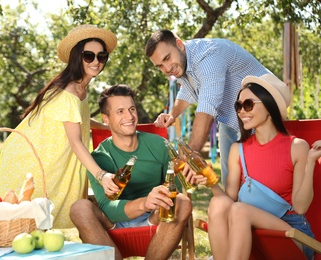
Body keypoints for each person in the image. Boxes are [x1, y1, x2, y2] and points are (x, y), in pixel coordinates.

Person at [0, 24, 118, 229]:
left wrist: (113, 127)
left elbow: (80, 121)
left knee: (40, 223)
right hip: (31, 159)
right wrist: (101, 176)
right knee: (30, 221)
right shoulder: (69, 92)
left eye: (101, 56)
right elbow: (76, 142)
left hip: (51, 156)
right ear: (78, 57)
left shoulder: (80, 86)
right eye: (89, 56)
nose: (96, 61)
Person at [69, 84, 192, 260]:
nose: (130, 116)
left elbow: (177, 189)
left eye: (132, 109)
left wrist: (187, 177)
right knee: (79, 208)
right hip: (113, 225)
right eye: (120, 112)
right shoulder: (97, 159)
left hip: (155, 219)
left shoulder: (159, 144)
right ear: (106, 119)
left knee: (182, 201)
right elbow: (107, 209)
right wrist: (144, 203)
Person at [204, 74, 320, 260]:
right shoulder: (238, 149)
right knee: (218, 203)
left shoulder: (297, 146)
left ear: (269, 104)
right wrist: (210, 181)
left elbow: (300, 207)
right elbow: (228, 202)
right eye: (238, 106)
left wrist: (311, 162)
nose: (241, 111)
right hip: (248, 231)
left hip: (291, 233)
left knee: (239, 210)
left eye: (248, 104)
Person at [145, 30, 271, 188]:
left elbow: (207, 107)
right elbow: (188, 91)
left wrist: (191, 155)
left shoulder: (208, 58)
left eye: (167, 58)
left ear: (179, 44)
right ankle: (232, 209)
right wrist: (172, 114)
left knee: (258, 183)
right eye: (160, 66)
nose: (167, 68)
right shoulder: (185, 61)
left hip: (262, 114)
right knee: (231, 182)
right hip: (232, 119)